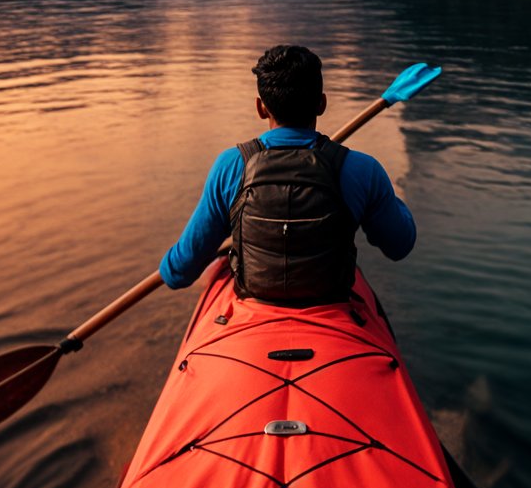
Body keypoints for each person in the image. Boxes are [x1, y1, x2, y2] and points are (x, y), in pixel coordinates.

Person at [160, 44, 416, 305]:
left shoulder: (230, 166)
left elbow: (179, 273)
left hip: (252, 311)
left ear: (260, 108)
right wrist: (384, 194)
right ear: (322, 104)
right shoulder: (363, 170)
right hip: (331, 305)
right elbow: (400, 245)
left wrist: (168, 267)